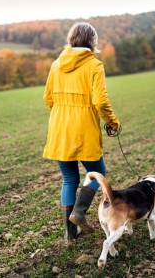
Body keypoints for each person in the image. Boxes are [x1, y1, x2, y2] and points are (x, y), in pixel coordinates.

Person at [43, 22, 120, 241]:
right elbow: (100, 101)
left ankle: (70, 232)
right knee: (98, 174)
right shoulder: (94, 65)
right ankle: (78, 213)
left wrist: (62, 115)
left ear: (71, 39)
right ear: (92, 42)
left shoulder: (56, 64)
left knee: (69, 180)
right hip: (84, 128)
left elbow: (48, 98)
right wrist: (112, 122)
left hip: (59, 130)